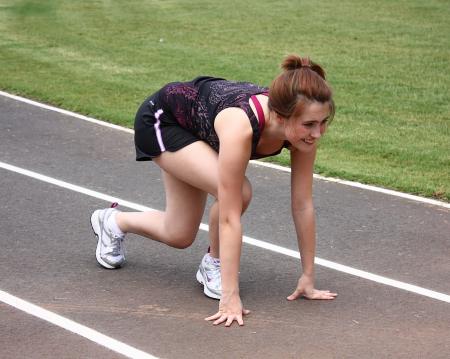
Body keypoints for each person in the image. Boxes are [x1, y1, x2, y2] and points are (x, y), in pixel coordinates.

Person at [90, 54, 338, 327]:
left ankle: (113, 222)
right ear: (279, 116)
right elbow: (230, 215)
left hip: (202, 127)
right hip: (165, 121)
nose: (317, 133)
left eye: (323, 122)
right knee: (238, 193)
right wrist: (230, 297)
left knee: (179, 233)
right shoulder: (241, 126)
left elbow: (302, 204)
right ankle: (214, 264)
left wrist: (308, 276)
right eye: (310, 125)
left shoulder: (301, 131)